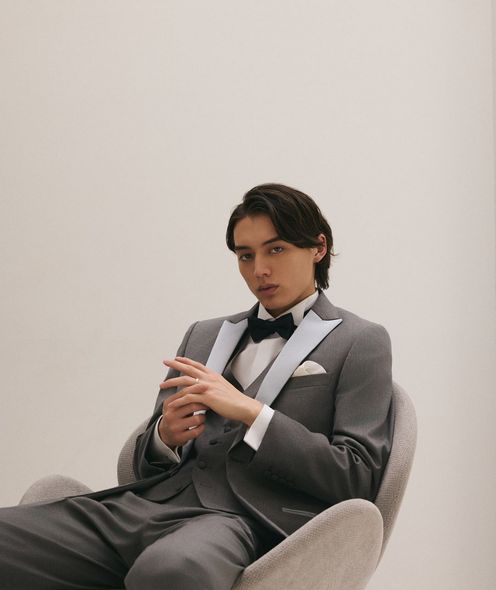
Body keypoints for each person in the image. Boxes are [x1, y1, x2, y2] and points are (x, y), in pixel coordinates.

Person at [0, 183, 394, 590]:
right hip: (144, 507)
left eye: (275, 249)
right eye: (245, 255)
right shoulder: (203, 335)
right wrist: (164, 437)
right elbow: (141, 467)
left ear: (318, 248)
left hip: (240, 522)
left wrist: (253, 413)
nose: (259, 269)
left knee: (170, 571)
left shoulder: (360, 341)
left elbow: (357, 477)